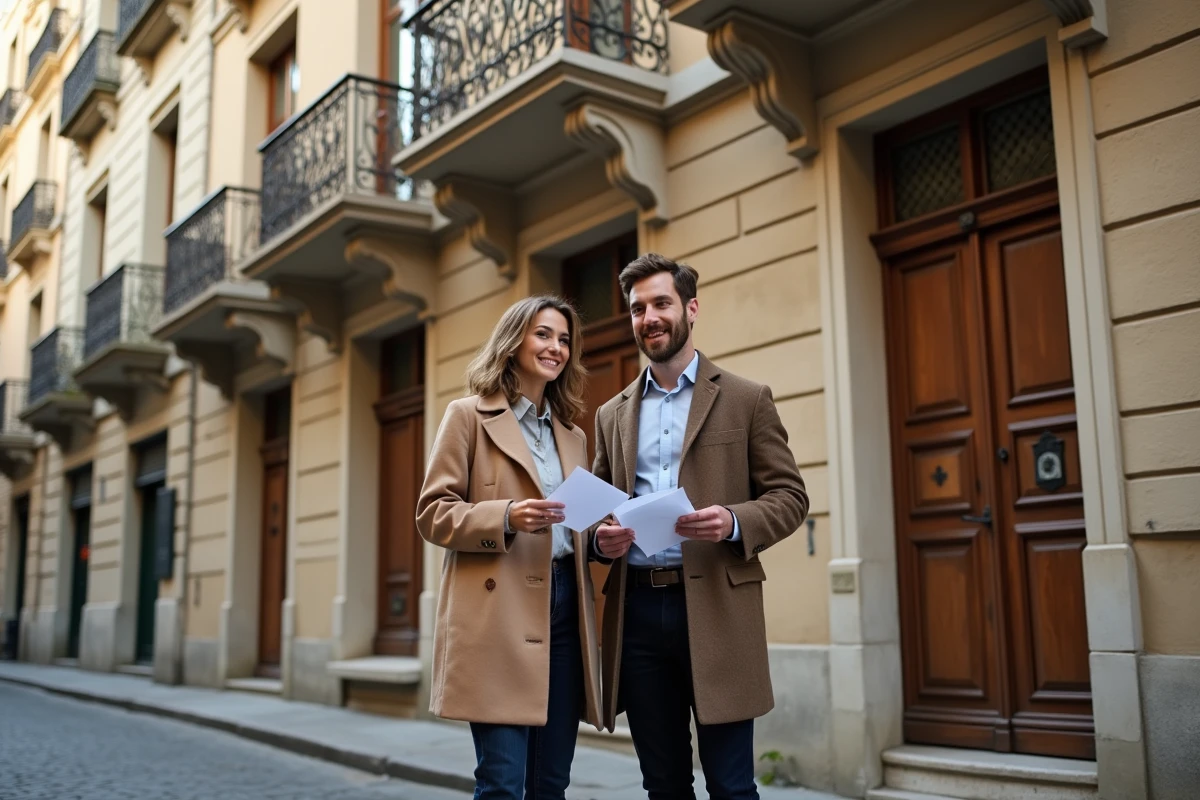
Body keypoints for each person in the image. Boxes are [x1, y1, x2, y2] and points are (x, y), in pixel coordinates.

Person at [591, 254, 809, 800]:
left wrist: (734, 520)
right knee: (663, 784)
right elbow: (599, 508)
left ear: (690, 308)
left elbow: (790, 497)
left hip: (719, 609)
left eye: (661, 303)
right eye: (638, 309)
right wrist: (599, 537)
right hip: (638, 612)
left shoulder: (746, 398)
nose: (649, 318)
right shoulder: (611, 414)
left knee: (731, 786)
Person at [416, 295, 602, 800]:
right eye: (543, 334)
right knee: (502, 783)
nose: (556, 347)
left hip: (565, 609)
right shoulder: (467, 417)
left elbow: (571, 526)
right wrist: (505, 516)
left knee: (550, 783)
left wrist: (601, 539)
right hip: (498, 613)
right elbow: (432, 513)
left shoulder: (573, 437)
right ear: (514, 340)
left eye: (564, 339)